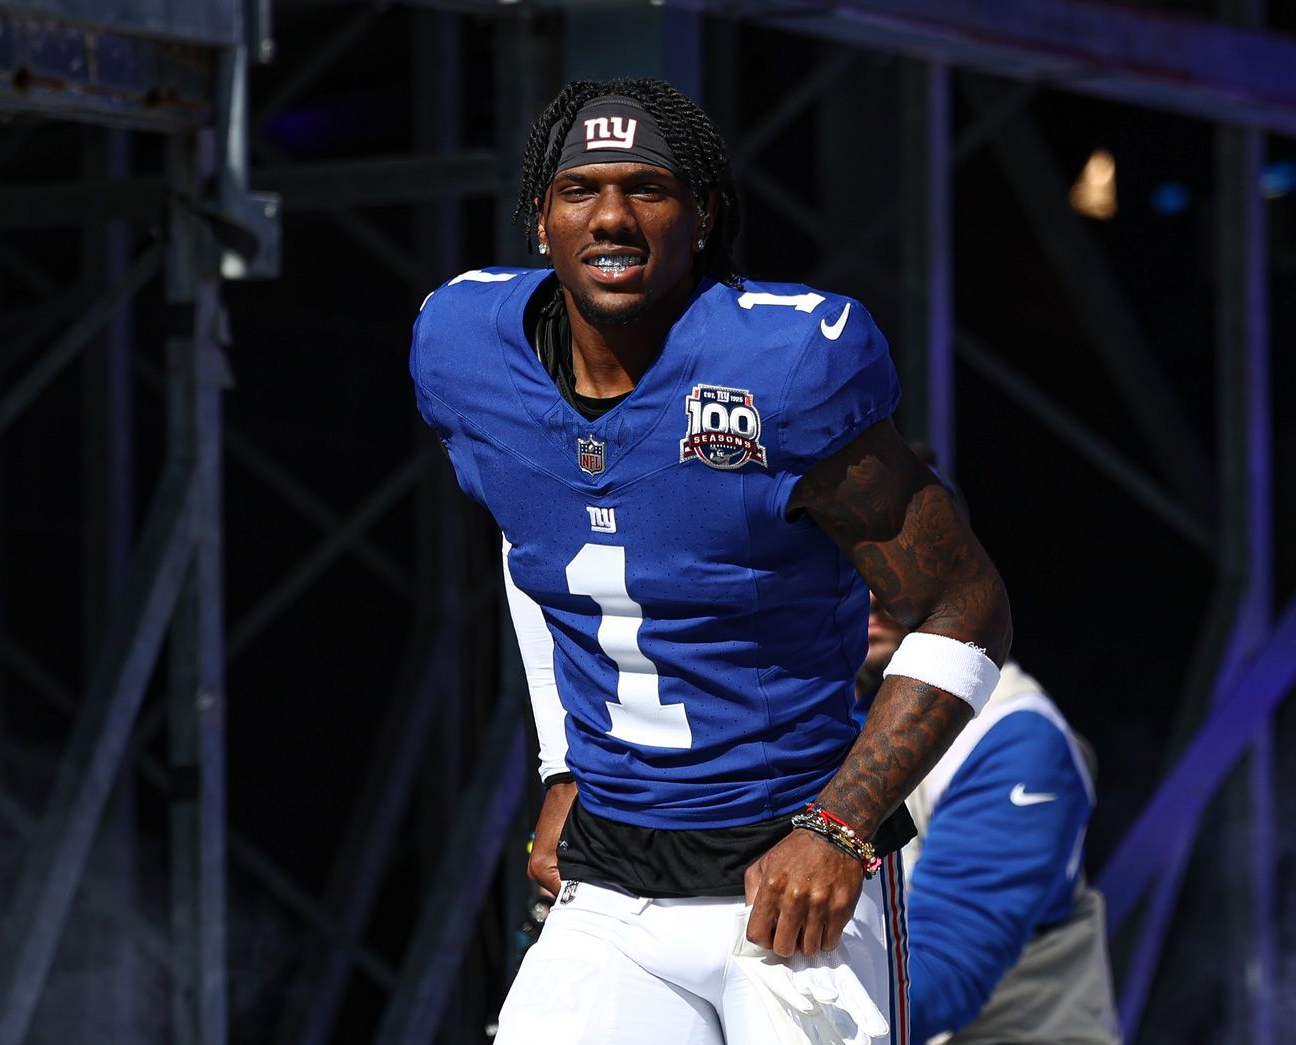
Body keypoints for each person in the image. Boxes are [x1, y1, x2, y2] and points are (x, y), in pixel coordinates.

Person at [410, 77, 1012, 1044]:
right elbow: (539, 552)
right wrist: (562, 765)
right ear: (538, 218)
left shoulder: (783, 363)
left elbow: (965, 603)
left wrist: (840, 826)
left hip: (787, 877)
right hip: (609, 878)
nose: (612, 217)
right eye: (580, 190)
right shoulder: (464, 348)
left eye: (648, 188)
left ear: (703, 214)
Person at [862, 596, 1120, 1044]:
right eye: (846, 561)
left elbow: (943, 971)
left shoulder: (1011, 733)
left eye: (887, 562)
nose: (869, 593)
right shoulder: (810, 711)